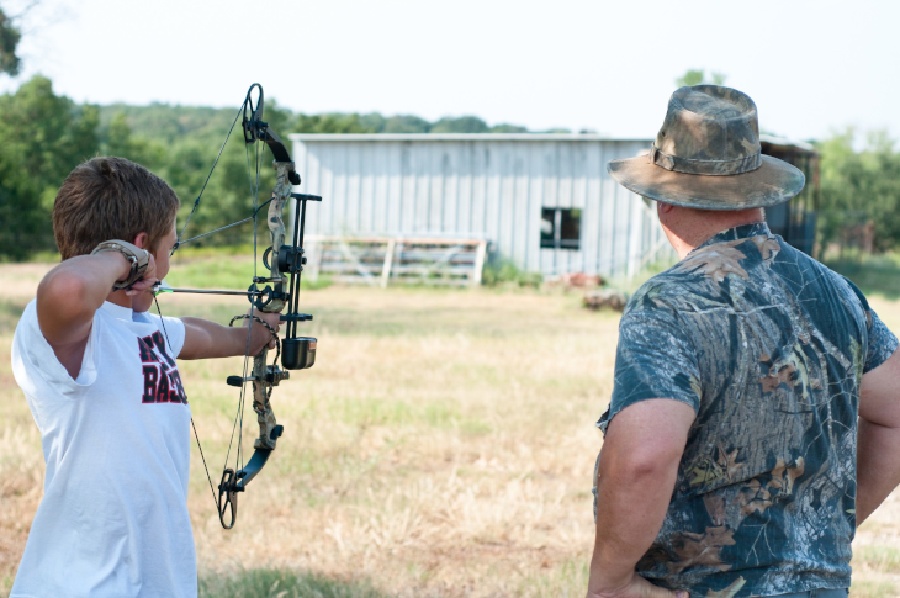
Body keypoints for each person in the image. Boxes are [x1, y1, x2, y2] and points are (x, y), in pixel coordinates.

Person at [587, 85, 900, 598]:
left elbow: (644, 457)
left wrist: (609, 585)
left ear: (664, 201)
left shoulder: (669, 303)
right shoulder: (837, 292)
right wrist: (820, 534)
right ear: (757, 194)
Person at [10, 157, 282, 597]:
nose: (168, 263)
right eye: (168, 249)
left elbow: (193, 335)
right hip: (86, 582)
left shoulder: (144, 328)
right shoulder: (62, 333)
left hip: (155, 576)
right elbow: (69, 288)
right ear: (137, 251)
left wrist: (254, 334)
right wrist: (123, 258)